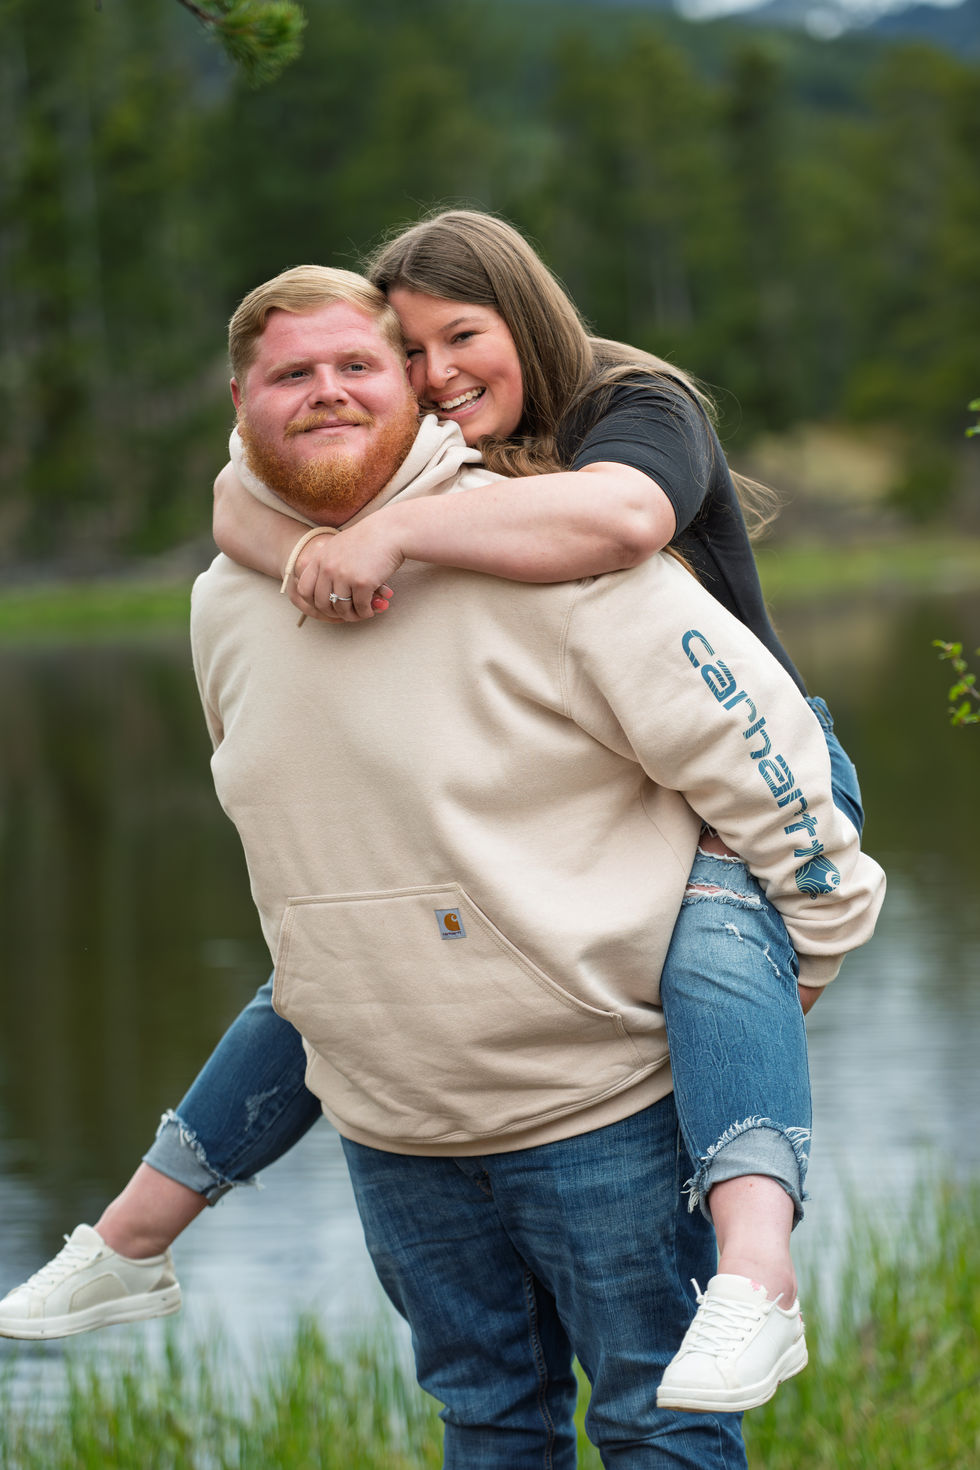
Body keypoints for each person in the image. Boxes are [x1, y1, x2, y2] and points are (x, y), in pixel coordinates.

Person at [0, 215, 866, 1415]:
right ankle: (133, 1236)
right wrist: (313, 542)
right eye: (407, 350)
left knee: (716, 956)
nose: (434, 371)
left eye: (459, 336)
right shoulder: (406, 477)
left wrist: (392, 528)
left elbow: (625, 523)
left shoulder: (629, 407)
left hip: (758, 754)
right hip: (571, 854)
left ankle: (756, 1271)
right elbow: (234, 504)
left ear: (528, 318)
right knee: (319, 980)